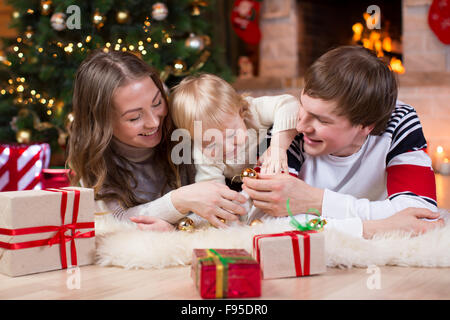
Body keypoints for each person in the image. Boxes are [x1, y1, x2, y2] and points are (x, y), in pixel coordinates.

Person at [242, 46, 445, 238]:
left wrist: (317, 201)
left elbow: (422, 213)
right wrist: (375, 227)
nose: (302, 126)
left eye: (322, 120)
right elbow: (264, 222)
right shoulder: (285, 130)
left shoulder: (399, 121)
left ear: (366, 126)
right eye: (303, 105)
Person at [67, 50, 247, 231]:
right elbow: (114, 222)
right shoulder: (97, 164)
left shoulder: (183, 121)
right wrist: (179, 201)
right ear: (102, 123)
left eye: (157, 103)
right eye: (134, 117)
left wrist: (275, 148)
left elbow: (249, 113)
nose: (154, 122)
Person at [169, 73, 299, 187]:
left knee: (284, 130)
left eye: (231, 135)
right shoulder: (202, 155)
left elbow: (289, 104)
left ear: (240, 110)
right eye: (211, 143)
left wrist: (277, 148)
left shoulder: (252, 111)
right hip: (238, 182)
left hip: (275, 161)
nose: (227, 148)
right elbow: (211, 190)